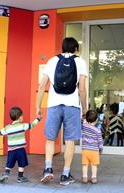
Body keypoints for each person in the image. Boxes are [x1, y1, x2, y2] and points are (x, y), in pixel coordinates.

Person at [36, 37, 88, 185]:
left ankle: (48, 168)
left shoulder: (52, 61)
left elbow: (41, 86)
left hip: (53, 105)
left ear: (62, 47)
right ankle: (65, 175)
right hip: (72, 106)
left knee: (50, 138)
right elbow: (82, 89)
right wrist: (84, 108)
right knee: (70, 140)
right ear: (76, 48)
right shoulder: (80, 62)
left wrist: (38, 107)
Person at [0, 107, 41, 183]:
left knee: (9, 163)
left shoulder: (7, 128)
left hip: (11, 150)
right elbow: (32, 125)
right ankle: (20, 177)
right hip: (20, 150)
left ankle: (6, 173)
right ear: (19, 116)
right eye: (22, 115)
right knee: (21, 163)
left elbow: (0, 133)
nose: (23, 117)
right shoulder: (22, 126)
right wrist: (38, 119)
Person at [81, 110, 103, 184]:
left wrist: (84, 117)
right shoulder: (98, 130)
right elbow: (100, 141)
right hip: (94, 151)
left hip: (85, 150)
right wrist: (100, 149)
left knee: (85, 165)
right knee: (94, 165)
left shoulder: (84, 126)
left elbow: (82, 120)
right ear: (96, 120)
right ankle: (94, 178)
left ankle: (84, 177)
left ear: (86, 118)